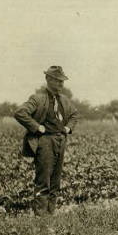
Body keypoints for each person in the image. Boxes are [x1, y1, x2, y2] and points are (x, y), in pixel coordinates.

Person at [14, 66, 79, 216]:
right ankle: (41, 218)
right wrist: (36, 127)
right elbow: (20, 113)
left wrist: (68, 128)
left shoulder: (63, 100)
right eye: (57, 81)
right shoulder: (38, 98)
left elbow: (74, 115)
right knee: (43, 180)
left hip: (60, 140)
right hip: (45, 141)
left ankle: (50, 215)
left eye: (62, 81)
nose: (61, 84)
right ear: (48, 79)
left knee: (55, 181)